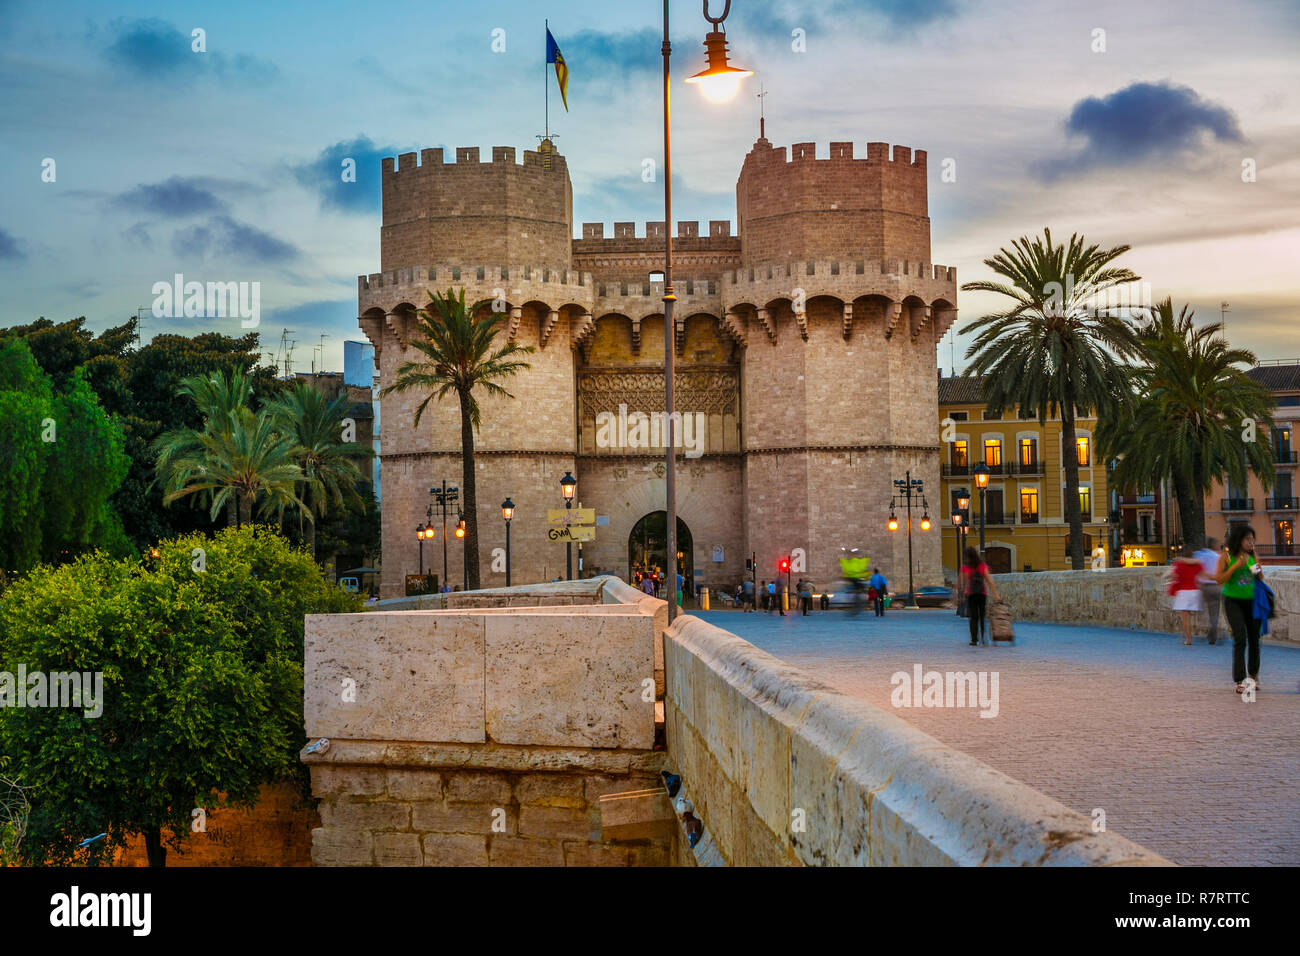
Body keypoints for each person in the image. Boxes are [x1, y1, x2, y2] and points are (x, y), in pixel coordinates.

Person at [1215, 524, 1263, 694]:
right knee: (1240, 638)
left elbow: (1260, 578)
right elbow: (1219, 579)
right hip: (1233, 601)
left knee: (1255, 639)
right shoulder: (1226, 557)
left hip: (1251, 601)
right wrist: (1235, 567)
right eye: (1247, 539)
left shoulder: (1252, 555)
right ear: (1238, 540)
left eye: (1252, 539)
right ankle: (1240, 680)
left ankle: (1254, 676)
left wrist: (1257, 568)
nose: (1251, 542)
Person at [960, 546, 1000, 646]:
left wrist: (958, 592)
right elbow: (990, 582)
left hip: (971, 594)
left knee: (973, 617)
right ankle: (983, 637)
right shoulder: (982, 565)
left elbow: (962, 581)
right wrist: (996, 595)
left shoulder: (966, 567)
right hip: (982, 594)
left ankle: (974, 639)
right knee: (982, 616)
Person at [1168, 545, 1204, 645]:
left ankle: (1188, 639)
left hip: (1184, 592)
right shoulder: (1197, 564)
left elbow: (1174, 576)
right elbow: (1202, 574)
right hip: (1195, 591)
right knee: (1194, 615)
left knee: (1185, 618)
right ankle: (1190, 634)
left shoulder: (1180, 564)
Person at [1194, 538, 1223, 645]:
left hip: (1204, 587)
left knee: (1205, 610)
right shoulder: (1218, 557)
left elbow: (1195, 568)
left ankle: (1211, 632)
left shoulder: (1199, 555)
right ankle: (1214, 633)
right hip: (1217, 586)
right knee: (1215, 612)